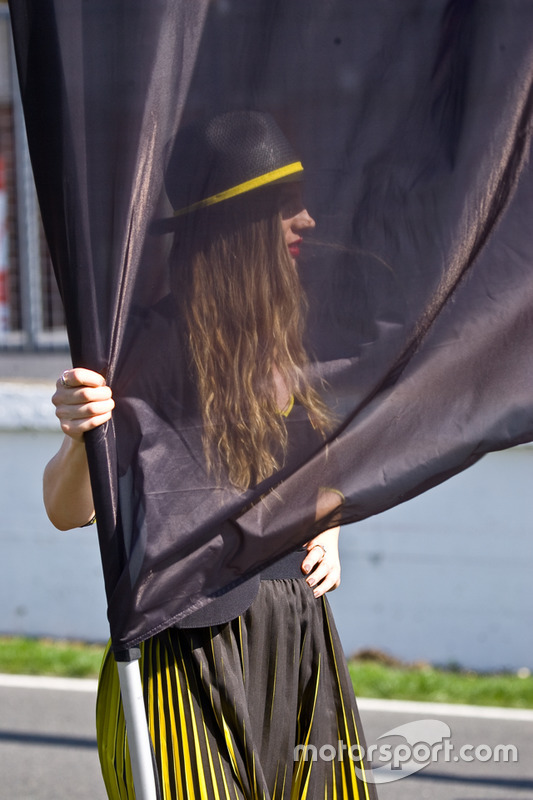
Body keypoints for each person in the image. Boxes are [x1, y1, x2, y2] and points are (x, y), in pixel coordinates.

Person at [43, 111, 377, 799]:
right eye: (286, 207)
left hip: (295, 636)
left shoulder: (293, 337)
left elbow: (318, 472)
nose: (308, 221)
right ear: (239, 227)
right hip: (182, 647)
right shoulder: (147, 348)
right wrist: (83, 436)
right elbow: (64, 508)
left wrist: (330, 526)